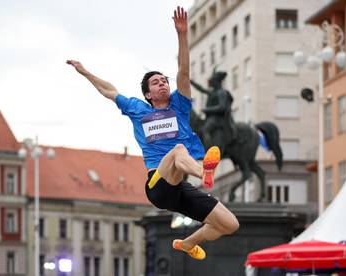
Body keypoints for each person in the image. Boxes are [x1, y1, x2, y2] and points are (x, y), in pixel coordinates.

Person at [67, 6, 239, 260]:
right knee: (178, 150)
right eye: (157, 82)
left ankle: (187, 244)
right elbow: (109, 90)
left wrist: (182, 35)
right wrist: (85, 72)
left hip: (179, 187)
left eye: (164, 81)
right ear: (147, 93)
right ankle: (205, 173)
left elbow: (184, 71)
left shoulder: (179, 106)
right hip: (157, 184)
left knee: (229, 224)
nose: (163, 84)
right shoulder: (137, 109)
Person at [191, 71, 236, 154]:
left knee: (205, 129)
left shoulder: (221, 93)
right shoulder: (213, 92)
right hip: (210, 118)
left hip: (217, 119)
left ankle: (209, 150)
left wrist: (207, 110)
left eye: (212, 82)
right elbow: (201, 88)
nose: (210, 83)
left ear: (216, 82)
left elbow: (222, 107)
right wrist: (190, 81)